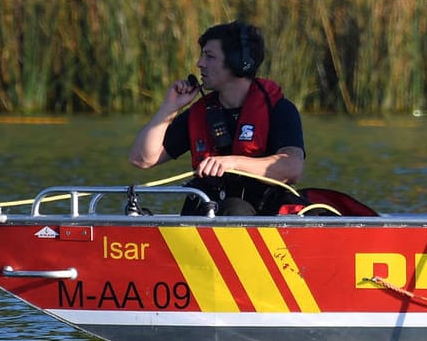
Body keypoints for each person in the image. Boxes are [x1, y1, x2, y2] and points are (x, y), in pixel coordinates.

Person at [128, 21, 305, 215]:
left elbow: (292, 167)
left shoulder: (279, 109)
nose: (199, 63)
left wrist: (231, 163)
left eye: (209, 56)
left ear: (239, 62)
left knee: (234, 208)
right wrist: (169, 108)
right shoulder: (201, 113)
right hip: (208, 212)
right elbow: (142, 158)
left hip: (257, 217)